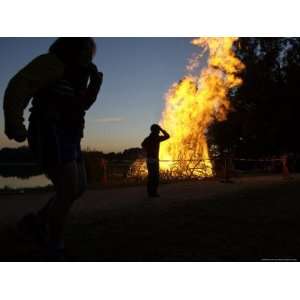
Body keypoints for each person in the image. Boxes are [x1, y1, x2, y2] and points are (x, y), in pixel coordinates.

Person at [3, 38, 103, 259]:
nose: (91, 53)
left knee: (78, 188)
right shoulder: (52, 63)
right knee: (68, 188)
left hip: (72, 134)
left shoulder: (82, 73)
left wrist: (94, 86)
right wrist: (14, 123)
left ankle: (36, 223)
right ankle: (54, 244)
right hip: (49, 131)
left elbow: (81, 105)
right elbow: (19, 86)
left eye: (91, 49)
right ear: (72, 48)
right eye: (86, 48)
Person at [141, 124, 170, 197]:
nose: (158, 131)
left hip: (149, 159)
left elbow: (142, 145)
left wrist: (148, 150)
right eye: (158, 130)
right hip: (154, 159)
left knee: (151, 176)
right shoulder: (156, 138)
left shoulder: (148, 138)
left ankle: (150, 193)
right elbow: (167, 136)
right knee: (155, 177)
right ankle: (153, 193)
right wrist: (162, 129)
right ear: (156, 130)